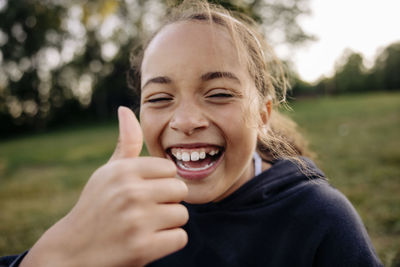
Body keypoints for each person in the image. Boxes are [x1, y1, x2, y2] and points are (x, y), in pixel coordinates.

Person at [1, 1, 382, 266]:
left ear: (263, 114)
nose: (185, 120)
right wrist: (58, 253)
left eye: (218, 94)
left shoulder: (321, 219)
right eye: (160, 97)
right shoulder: (125, 217)